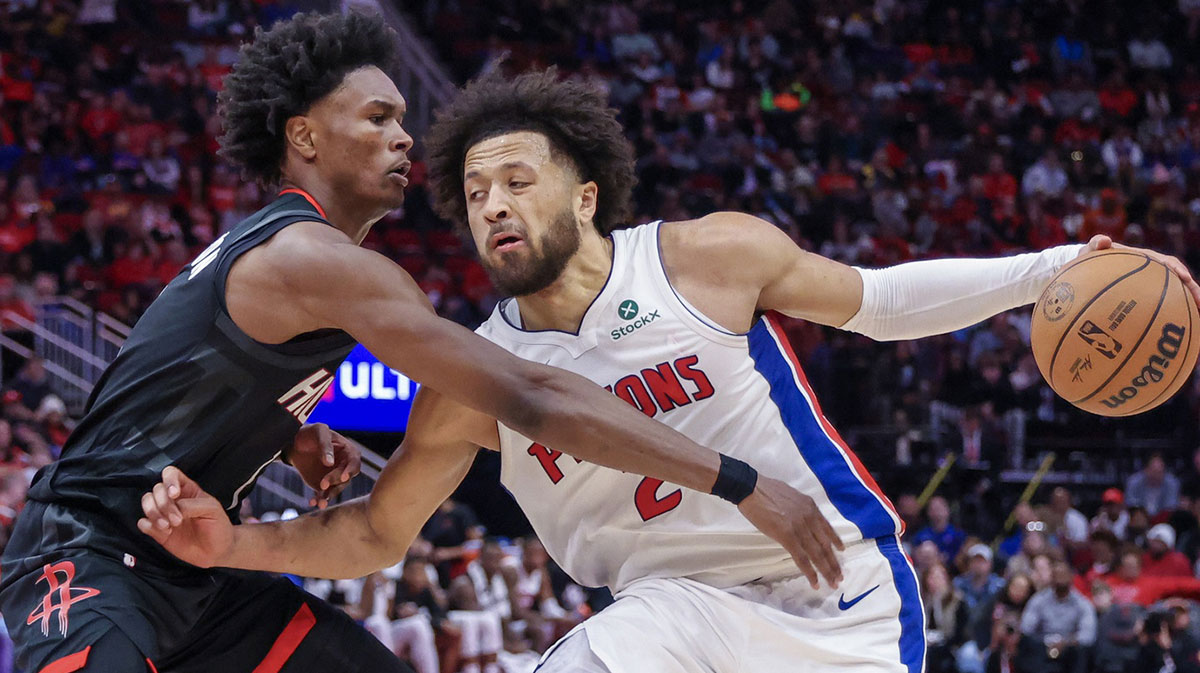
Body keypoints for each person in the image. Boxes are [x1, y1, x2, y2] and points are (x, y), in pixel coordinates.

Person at [139, 69, 1200, 672]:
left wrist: (1055, 268)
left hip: (840, 605)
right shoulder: (478, 375)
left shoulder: (704, 256)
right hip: (673, 618)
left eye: (518, 179)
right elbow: (372, 532)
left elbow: (879, 303)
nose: (493, 204)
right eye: (473, 191)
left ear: (588, 196)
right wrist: (234, 541)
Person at [0, 18, 839, 673]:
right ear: (305, 137)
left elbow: (171, 369)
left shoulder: (288, 254)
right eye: (379, 117)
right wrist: (737, 480)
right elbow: (532, 396)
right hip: (84, 560)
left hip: (193, 575)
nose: (407, 136)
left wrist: (285, 430)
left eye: (404, 118)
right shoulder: (317, 261)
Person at [1018, 560, 1096, 673]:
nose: (1060, 579)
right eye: (1057, 575)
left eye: (1063, 575)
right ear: (1051, 578)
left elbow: (1088, 636)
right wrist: (1047, 643)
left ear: (1071, 577)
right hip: (1042, 646)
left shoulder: (1082, 603)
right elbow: (1026, 628)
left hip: (1070, 649)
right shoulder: (1039, 599)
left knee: (1082, 651)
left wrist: (1065, 643)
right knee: (1026, 643)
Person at [1125, 452, 1181, 517]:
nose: (1156, 476)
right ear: (1146, 470)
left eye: (1160, 472)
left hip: (1163, 521)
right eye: (1154, 471)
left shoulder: (1172, 483)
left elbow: (1171, 506)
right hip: (1139, 519)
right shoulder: (1134, 482)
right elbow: (1131, 504)